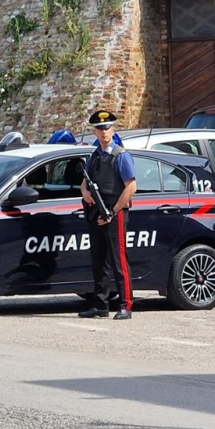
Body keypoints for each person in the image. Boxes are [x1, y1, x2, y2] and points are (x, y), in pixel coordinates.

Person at [79, 110, 137, 320]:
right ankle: (100, 306)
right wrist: (85, 193)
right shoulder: (94, 156)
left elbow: (131, 187)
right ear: (94, 132)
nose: (104, 132)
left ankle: (126, 305)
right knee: (99, 261)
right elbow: (84, 183)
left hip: (115, 211)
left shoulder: (121, 156)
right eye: (100, 129)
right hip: (96, 212)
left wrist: (113, 211)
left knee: (119, 261)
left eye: (107, 128)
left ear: (113, 129)